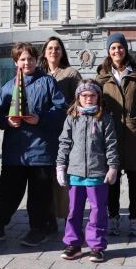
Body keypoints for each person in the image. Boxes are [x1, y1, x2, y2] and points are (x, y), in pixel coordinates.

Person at [0, 43, 66, 247]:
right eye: (22, 59)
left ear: (37, 60)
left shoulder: (48, 83)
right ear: (15, 62)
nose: (27, 62)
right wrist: (7, 121)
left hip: (41, 150)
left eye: (31, 59)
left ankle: (38, 228)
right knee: (7, 192)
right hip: (14, 151)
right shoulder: (8, 86)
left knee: (39, 194)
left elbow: (61, 110)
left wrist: (41, 118)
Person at [95, 33, 136, 237]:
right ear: (108, 51)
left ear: (125, 49)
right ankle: (113, 218)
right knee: (112, 178)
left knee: (134, 178)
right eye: (113, 48)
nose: (117, 51)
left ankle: (134, 220)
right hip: (110, 134)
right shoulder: (102, 76)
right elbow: (96, 107)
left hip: (134, 132)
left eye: (120, 47)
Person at [57, 80, 119, 264]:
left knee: (98, 211)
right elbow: (64, 143)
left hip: (97, 173)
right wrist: (60, 166)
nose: (88, 98)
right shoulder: (71, 118)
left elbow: (111, 145)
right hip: (75, 173)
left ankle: (97, 246)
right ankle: (73, 244)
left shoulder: (104, 118)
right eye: (84, 95)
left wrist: (113, 166)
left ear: (98, 97)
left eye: (92, 95)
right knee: (74, 210)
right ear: (78, 98)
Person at [38, 36, 81, 228]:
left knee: (62, 176)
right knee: (45, 176)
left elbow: (79, 100)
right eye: (50, 48)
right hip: (42, 131)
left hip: (64, 131)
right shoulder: (39, 74)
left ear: (62, 52)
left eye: (57, 48)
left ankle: (66, 217)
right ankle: (48, 216)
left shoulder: (70, 73)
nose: (53, 51)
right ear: (45, 52)